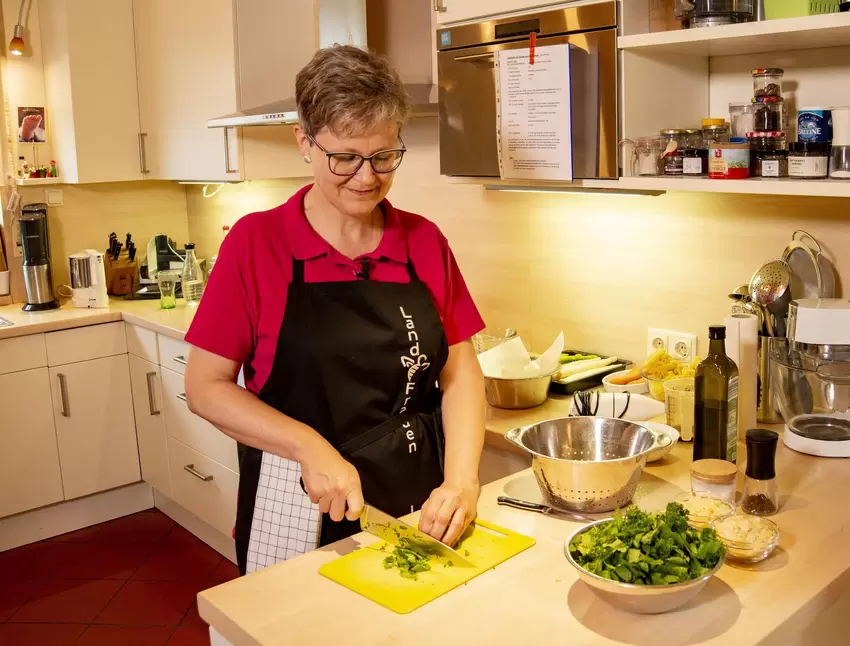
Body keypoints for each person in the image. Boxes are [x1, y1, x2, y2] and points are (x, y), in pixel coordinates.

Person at [184, 45, 487, 575]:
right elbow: (205, 386)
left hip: (416, 500)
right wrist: (307, 446)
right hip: (299, 498)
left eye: (384, 156)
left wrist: (461, 480)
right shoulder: (257, 244)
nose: (366, 178)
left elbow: (460, 372)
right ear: (304, 140)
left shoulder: (423, 241)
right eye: (344, 157)